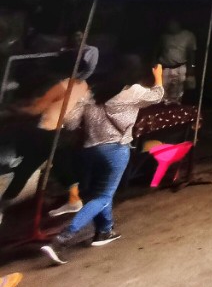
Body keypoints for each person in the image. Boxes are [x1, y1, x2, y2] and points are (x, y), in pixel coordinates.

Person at [41, 59, 164, 264]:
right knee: (103, 195)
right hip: (114, 150)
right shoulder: (131, 91)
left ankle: (104, 231)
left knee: (100, 193)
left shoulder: (92, 93)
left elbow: (71, 123)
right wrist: (159, 78)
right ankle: (62, 239)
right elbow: (158, 96)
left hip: (89, 151)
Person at [0, 55, 88, 225]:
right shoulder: (83, 85)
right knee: (62, 167)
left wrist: (13, 109)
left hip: (45, 132)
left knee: (25, 169)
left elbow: (36, 110)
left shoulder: (61, 85)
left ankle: (1, 208)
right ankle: (74, 200)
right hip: (60, 133)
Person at [156, 19, 198, 105]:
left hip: (180, 67)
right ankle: (162, 110)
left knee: (178, 91)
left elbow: (191, 52)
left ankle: (175, 110)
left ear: (179, 24)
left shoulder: (188, 35)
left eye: (173, 23)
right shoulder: (164, 36)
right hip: (165, 67)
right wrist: (153, 62)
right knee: (162, 90)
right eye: (169, 24)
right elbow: (157, 50)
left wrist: (192, 67)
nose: (171, 26)